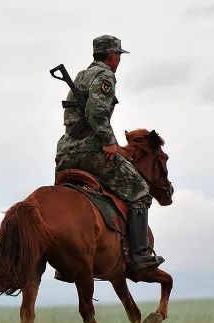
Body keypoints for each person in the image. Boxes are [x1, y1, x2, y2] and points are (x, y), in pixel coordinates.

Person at [55, 35, 164, 274]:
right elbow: (96, 111)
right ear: (112, 55)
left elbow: (71, 116)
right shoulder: (105, 76)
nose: (119, 61)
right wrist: (109, 141)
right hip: (91, 152)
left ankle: (64, 264)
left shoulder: (81, 76)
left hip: (64, 154)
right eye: (118, 56)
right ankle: (139, 255)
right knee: (140, 191)